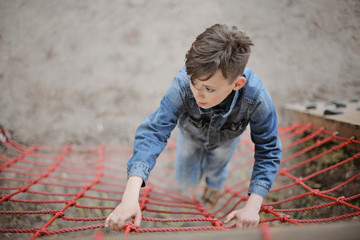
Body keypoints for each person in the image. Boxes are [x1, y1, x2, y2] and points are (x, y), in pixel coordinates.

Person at [105, 24, 281, 231]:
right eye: (194, 83)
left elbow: (268, 148)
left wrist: (253, 205)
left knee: (216, 169)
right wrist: (130, 196)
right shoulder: (182, 84)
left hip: (226, 139)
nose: (198, 94)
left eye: (209, 88)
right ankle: (200, 185)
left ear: (237, 84)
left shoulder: (256, 97)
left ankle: (214, 187)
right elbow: (154, 131)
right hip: (190, 134)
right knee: (185, 178)